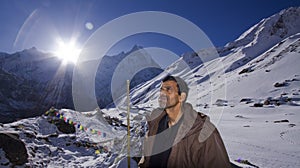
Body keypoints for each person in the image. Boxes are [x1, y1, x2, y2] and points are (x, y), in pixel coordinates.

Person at [139, 75, 231, 168]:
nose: (162, 93)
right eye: (161, 89)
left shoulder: (203, 131)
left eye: (168, 89)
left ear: (181, 97)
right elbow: (147, 160)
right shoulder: (155, 124)